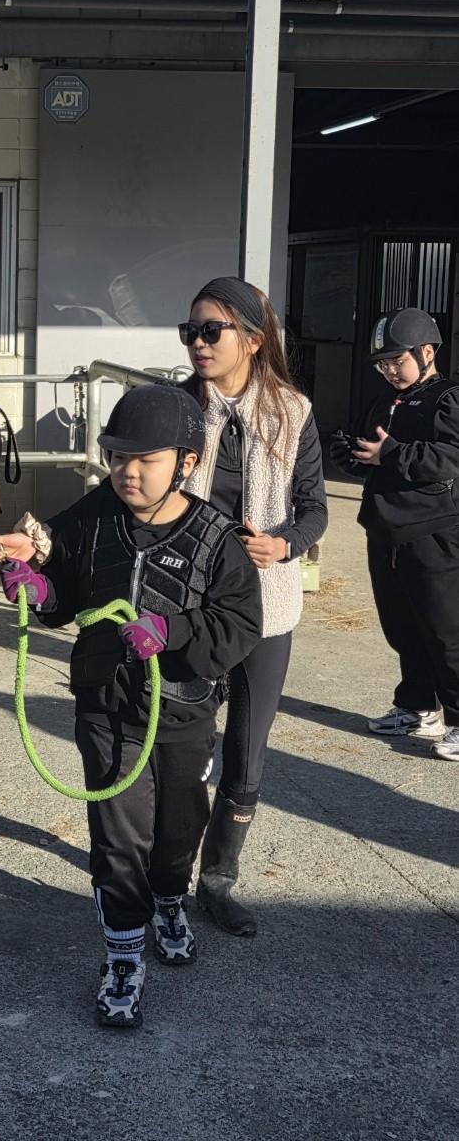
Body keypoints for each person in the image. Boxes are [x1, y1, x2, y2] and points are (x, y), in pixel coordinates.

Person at [0, 385, 262, 1029]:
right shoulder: (92, 515)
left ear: (187, 461)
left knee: (178, 832)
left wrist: (173, 630)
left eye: (146, 459)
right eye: (116, 456)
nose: (127, 471)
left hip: (184, 712)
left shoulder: (217, 538)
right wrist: (36, 588)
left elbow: (240, 624)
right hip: (106, 707)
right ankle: (123, 956)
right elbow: (63, 595)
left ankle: (170, 900)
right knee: (117, 838)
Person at [179, 277, 327, 936]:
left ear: (253, 339)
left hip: (266, 607)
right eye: (190, 332)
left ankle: (218, 881)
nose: (198, 343)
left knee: (246, 753)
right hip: (189, 604)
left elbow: (316, 508)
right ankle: (165, 871)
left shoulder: (293, 412)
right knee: (182, 748)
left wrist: (285, 542)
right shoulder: (177, 406)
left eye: (211, 330)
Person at [330, 307, 459, 761]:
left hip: (435, 533)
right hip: (384, 529)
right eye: (382, 363)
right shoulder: (384, 401)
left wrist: (392, 453)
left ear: (427, 352)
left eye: (397, 360)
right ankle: (417, 707)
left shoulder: (448, 399)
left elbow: (449, 457)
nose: (389, 370)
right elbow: (365, 447)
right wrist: (349, 454)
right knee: (402, 628)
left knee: (446, 632)